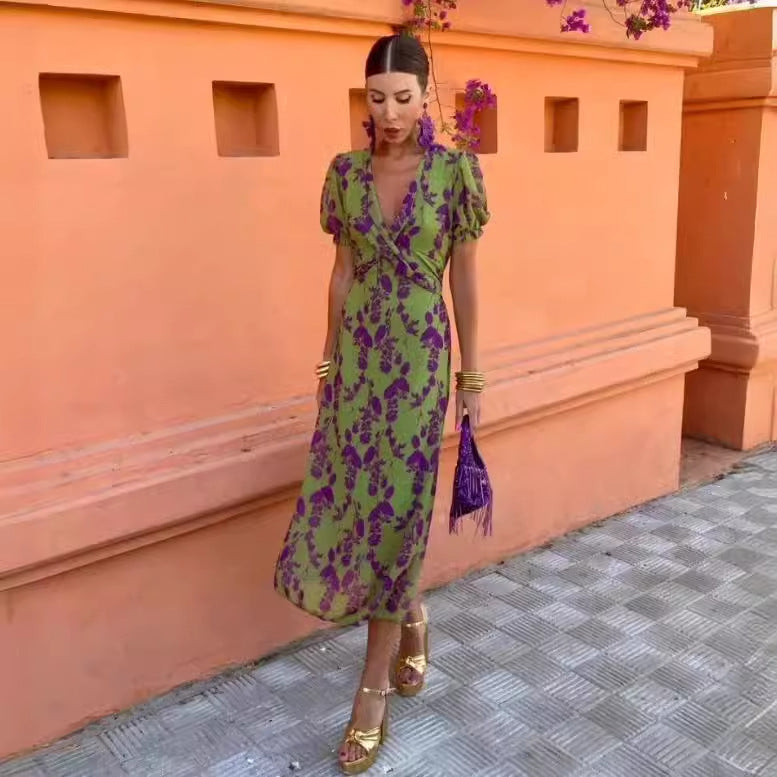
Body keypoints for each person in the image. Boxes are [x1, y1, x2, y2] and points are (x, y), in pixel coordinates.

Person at [274, 32, 489, 775]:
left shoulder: (455, 173)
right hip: (358, 361)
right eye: (376, 98)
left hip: (420, 364)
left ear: (426, 97)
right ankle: (414, 614)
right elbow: (340, 272)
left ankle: (370, 693)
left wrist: (471, 380)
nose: (389, 113)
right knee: (362, 504)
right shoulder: (345, 173)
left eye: (402, 98)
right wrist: (327, 361)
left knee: (399, 506)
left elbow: (464, 280)